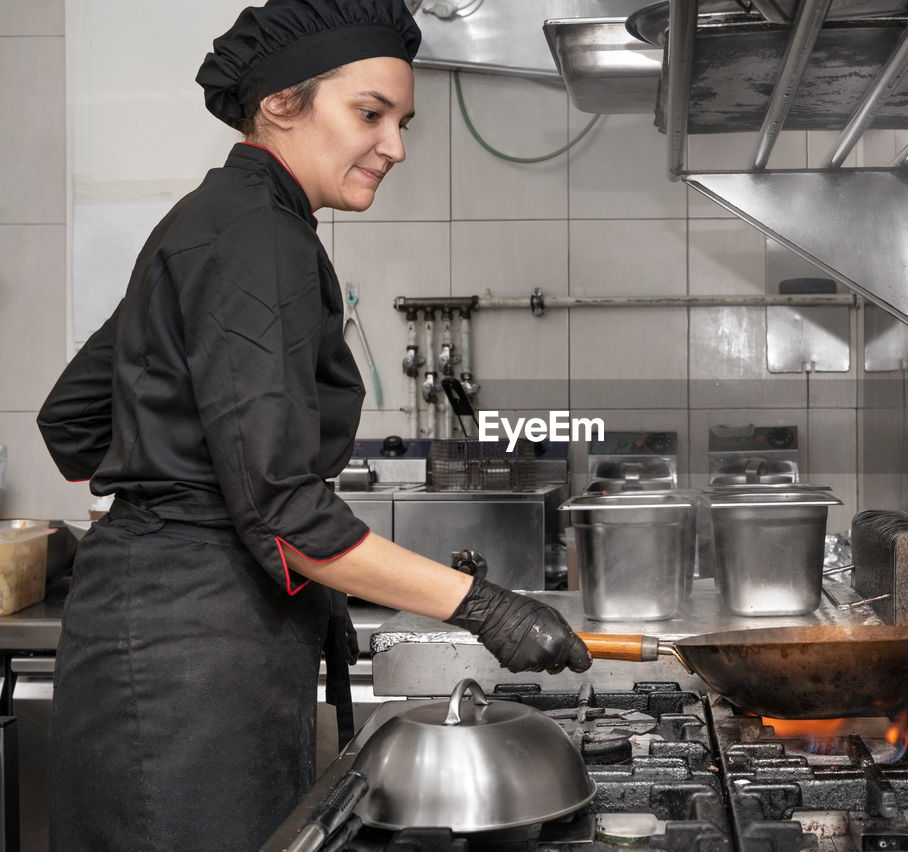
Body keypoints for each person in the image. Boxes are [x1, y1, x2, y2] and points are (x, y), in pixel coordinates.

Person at [35, 1, 591, 849]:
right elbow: (283, 514)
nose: (395, 146)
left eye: (401, 121)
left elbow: (73, 421)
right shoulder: (261, 237)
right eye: (369, 114)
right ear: (282, 104)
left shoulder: (213, 220)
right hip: (191, 657)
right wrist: (486, 608)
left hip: (172, 631)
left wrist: (172, 495)